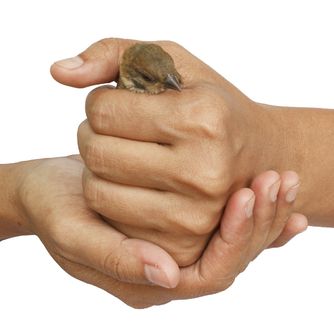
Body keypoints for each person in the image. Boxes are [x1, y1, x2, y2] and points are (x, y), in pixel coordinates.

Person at [3, 37, 332, 308]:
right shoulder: (119, 99)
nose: (173, 85)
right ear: (130, 75)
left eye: (172, 75)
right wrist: (18, 195)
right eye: (151, 79)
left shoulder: (189, 99)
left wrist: (267, 147)